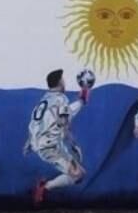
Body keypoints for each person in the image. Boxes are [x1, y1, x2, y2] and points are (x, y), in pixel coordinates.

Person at [26, 68, 90, 204]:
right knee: (78, 174)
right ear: (60, 82)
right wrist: (73, 143)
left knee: (78, 173)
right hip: (51, 146)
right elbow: (63, 122)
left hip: (41, 143)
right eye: (64, 79)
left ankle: (44, 186)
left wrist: (81, 101)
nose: (65, 82)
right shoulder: (61, 99)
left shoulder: (45, 100)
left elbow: (38, 122)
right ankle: (43, 188)